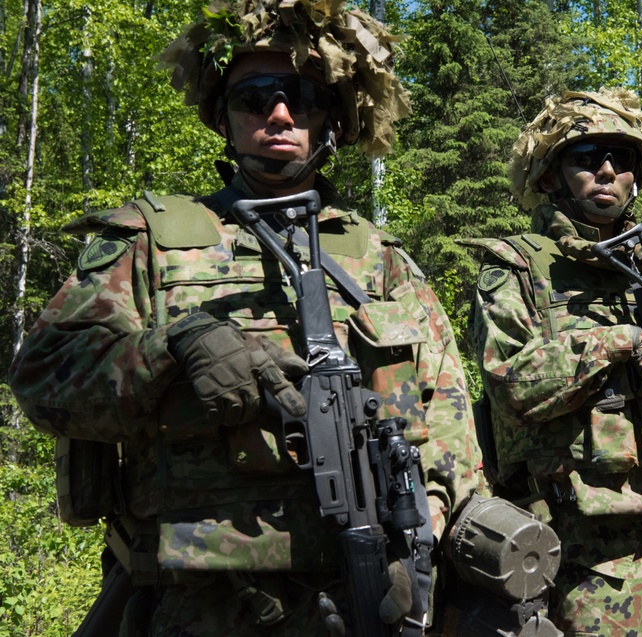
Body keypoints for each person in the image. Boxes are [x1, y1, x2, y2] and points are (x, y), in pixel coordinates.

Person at [7, 1, 480, 635]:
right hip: (192, 603)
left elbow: (450, 425)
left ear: (330, 121)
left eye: (303, 97)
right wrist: (177, 345)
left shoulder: (382, 260)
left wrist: (423, 538)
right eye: (256, 97)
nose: (280, 114)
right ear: (224, 118)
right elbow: (41, 375)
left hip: (360, 597)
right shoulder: (150, 239)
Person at [463, 89, 642, 636]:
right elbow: (511, 385)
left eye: (622, 159)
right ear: (550, 176)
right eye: (586, 158)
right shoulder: (518, 267)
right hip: (593, 553)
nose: (608, 170)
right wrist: (618, 342)